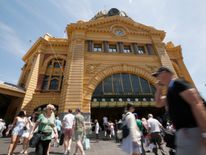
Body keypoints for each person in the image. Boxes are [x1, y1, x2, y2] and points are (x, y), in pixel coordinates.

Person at [153, 66, 206, 155]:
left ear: (166, 73)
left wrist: (204, 133)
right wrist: (158, 89)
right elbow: (158, 103)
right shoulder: (170, 90)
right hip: (183, 134)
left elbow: (197, 104)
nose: (157, 78)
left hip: (192, 131)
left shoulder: (178, 83)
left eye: (158, 75)